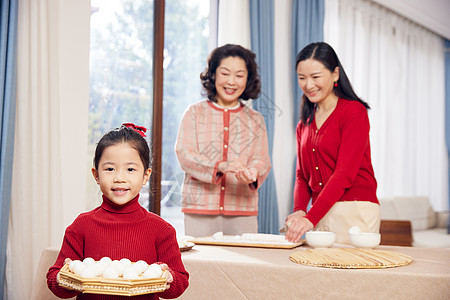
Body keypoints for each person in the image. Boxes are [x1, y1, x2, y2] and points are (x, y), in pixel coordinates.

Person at [47, 123, 189, 299]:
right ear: (96, 175)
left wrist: (168, 277)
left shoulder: (161, 229)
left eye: (130, 169)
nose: (119, 178)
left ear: (146, 175)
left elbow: (181, 281)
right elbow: (54, 279)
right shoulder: (81, 226)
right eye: (109, 169)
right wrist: (65, 276)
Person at [285, 42, 380, 244]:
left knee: (355, 273)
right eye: (302, 78)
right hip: (320, 213)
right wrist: (300, 210)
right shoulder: (304, 124)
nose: (308, 85)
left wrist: (310, 217)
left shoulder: (354, 112)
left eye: (315, 77)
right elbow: (302, 176)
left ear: (335, 74)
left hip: (354, 210)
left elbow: (344, 173)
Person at [175, 44, 271, 237]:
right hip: (199, 209)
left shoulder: (256, 119)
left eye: (239, 75)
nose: (231, 81)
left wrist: (253, 172)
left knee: (244, 266)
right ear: (213, 75)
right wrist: (220, 165)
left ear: (248, 79)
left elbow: (261, 160)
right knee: (201, 265)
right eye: (225, 73)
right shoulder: (194, 113)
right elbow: (184, 154)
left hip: (243, 209)